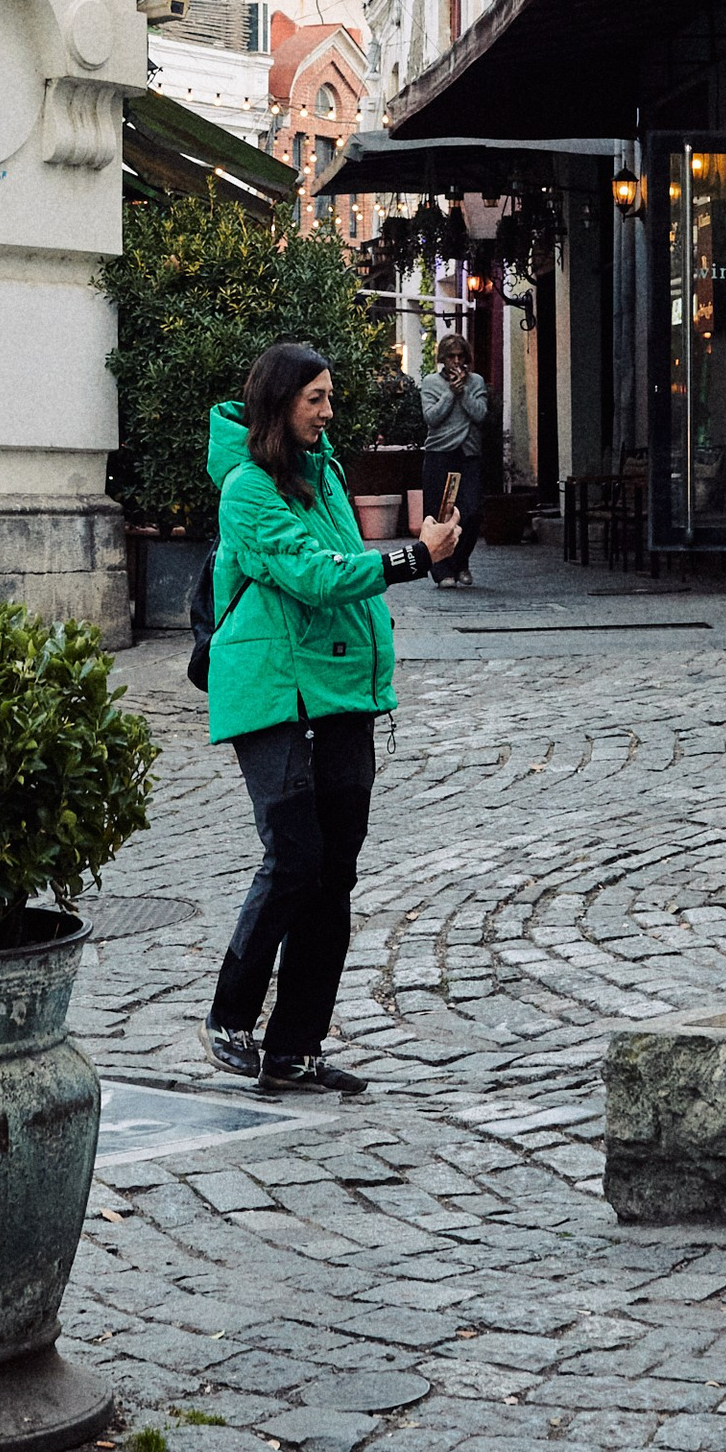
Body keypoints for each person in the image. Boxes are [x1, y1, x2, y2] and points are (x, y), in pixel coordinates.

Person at [200, 339, 459, 1093]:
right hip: (274, 695)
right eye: (315, 397)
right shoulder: (247, 488)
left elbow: (344, 569)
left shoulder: (327, 474)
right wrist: (417, 558)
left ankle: (297, 1047)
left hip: (342, 690)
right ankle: (228, 1017)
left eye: (330, 396)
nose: (327, 410)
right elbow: (315, 577)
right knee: (295, 858)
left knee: (336, 868)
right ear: (279, 402)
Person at [416, 331, 489, 587]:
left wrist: (464, 393)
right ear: (443, 359)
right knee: (440, 513)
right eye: (451, 357)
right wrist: (450, 393)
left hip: (467, 454)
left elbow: (480, 415)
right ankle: (442, 570)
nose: (456, 362)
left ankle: (461, 562)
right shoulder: (430, 383)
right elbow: (432, 418)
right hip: (440, 454)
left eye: (460, 356)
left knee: (471, 511)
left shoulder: (476, 382)